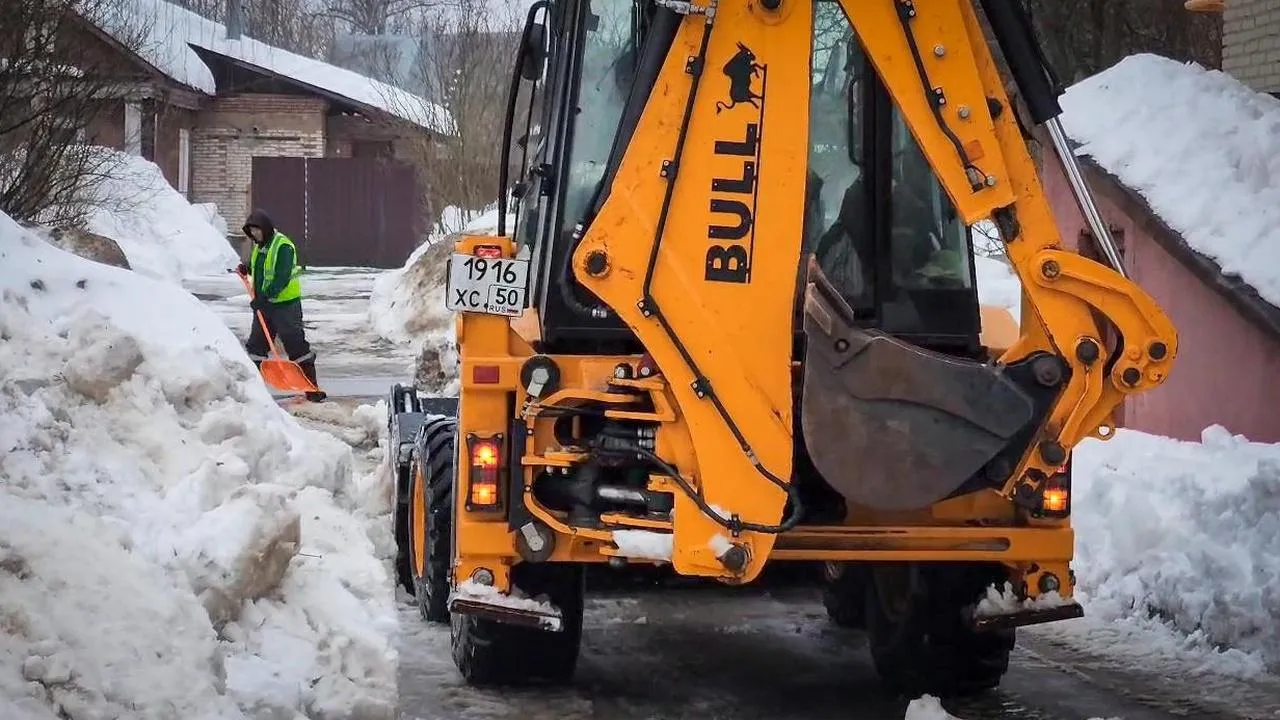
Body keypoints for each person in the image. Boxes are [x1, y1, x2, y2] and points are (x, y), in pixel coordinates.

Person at [236, 208, 327, 402]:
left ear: (266, 228)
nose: (254, 234)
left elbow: (281, 277)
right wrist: (248, 268)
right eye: (251, 231)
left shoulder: (283, 246)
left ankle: (312, 388)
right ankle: (255, 390)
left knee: (296, 346)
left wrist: (265, 297)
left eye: (258, 230)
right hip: (264, 306)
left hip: (286, 307)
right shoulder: (260, 247)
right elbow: (261, 268)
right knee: (255, 346)